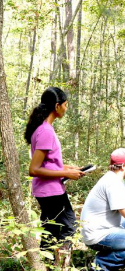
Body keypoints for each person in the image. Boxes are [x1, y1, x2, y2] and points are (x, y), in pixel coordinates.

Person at [25, 87, 85, 254]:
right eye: (65, 105)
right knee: (69, 226)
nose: (66, 108)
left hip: (48, 190)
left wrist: (69, 168)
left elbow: (47, 164)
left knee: (50, 230)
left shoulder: (44, 128)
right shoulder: (45, 131)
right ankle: (59, 269)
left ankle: (46, 267)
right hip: (50, 191)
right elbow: (34, 169)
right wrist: (66, 173)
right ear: (57, 106)